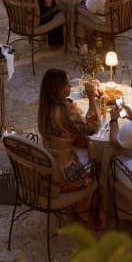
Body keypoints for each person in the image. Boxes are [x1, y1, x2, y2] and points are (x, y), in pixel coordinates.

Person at [37, 68, 101, 228]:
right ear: (58, 89)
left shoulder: (45, 108)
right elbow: (93, 128)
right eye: (67, 84)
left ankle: (78, 207)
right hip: (65, 173)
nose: (70, 87)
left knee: (86, 146)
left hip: (51, 164)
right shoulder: (65, 110)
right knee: (102, 165)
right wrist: (92, 99)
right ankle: (88, 211)